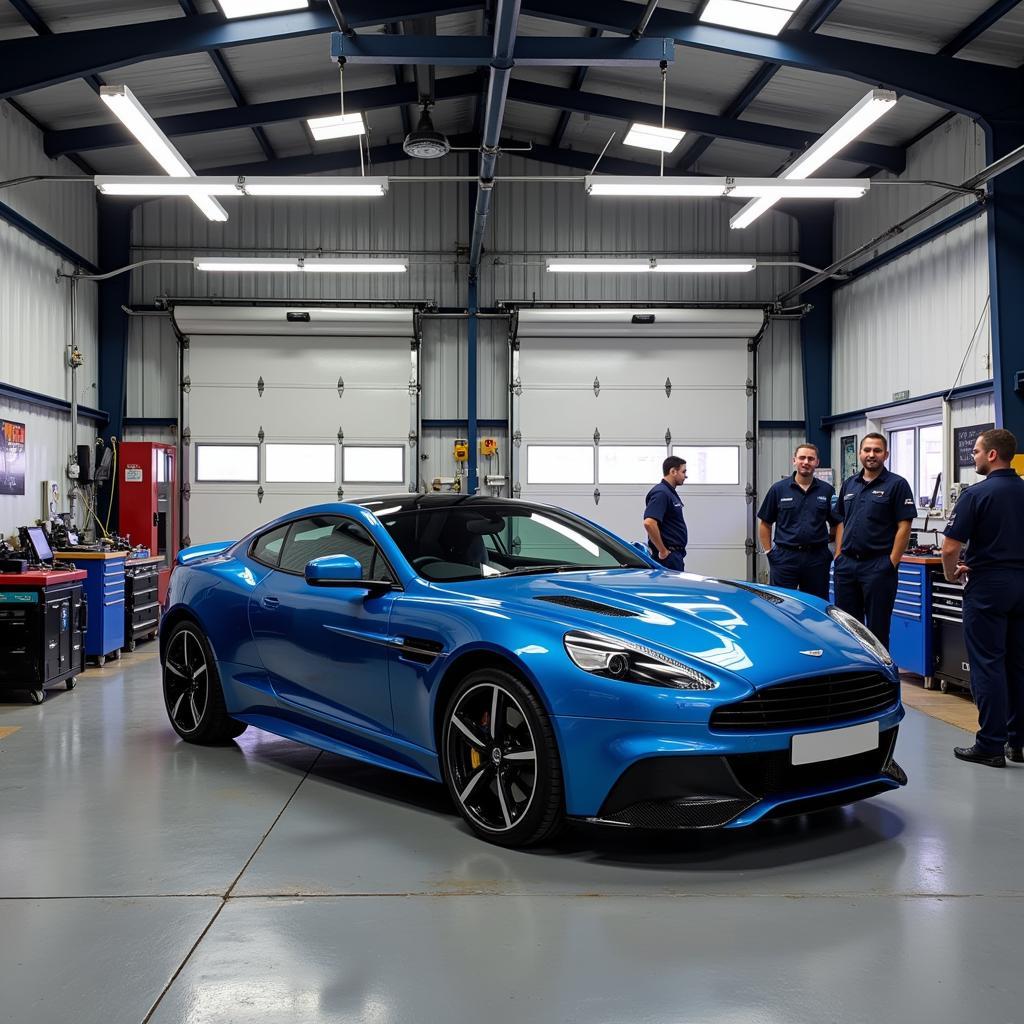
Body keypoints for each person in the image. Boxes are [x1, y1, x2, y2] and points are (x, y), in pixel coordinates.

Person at [941, 428, 1024, 768]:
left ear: (992, 455)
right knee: (1018, 664)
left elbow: (949, 547)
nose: (972, 456)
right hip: (1022, 584)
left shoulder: (976, 494)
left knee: (987, 664)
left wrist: (951, 572)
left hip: (989, 584)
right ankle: (1017, 742)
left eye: (975, 451)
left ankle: (990, 744)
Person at [833, 433, 916, 651]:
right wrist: (839, 555)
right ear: (860, 453)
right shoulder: (849, 484)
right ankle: (852, 676)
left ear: (886, 454)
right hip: (847, 566)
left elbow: (904, 526)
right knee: (847, 628)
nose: (872, 455)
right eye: (867, 450)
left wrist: (891, 563)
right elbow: (841, 521)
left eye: (877, 450)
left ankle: (878, 678)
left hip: (878, 567)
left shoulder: (897, 484)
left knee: (878, 630)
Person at [757, 442, 835, 599]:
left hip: (817, 559)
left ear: (817, 463)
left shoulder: (827, 491)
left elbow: (837, 522)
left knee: (816, 605)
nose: (806, 462)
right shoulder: (778, 489)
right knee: (780, 604)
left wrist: (834, 552)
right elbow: (765, 523)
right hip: (785, 557)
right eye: (802, 458)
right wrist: (769, 552)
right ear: (794, 460)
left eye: (811, 459)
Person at [644, 456, 688, 571]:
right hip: (667, 558)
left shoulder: (669, 493)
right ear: (673, 471)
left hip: (675, 556)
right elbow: (649, 523)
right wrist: (663, 551)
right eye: (683, 472)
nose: (686, 476)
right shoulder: (661, 493)